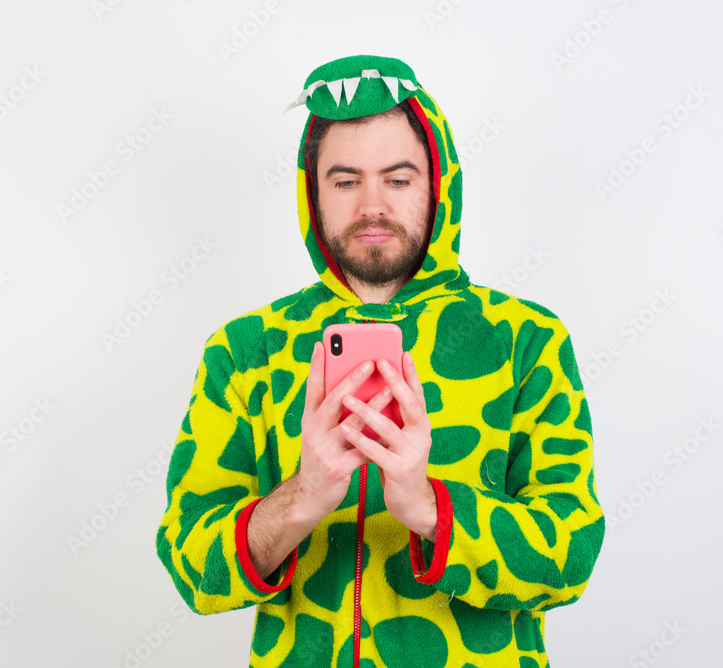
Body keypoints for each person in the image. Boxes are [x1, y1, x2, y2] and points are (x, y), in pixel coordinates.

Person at [155, 54, 604, 668]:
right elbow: (191, 565)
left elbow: (571, 553)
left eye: (397, 179)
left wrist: (428, 509)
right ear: (312, 193)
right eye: (345, 181)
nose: (372, 205)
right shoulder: (245, 349)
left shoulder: (526, 339)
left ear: (438, 183)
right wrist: (302, 496)